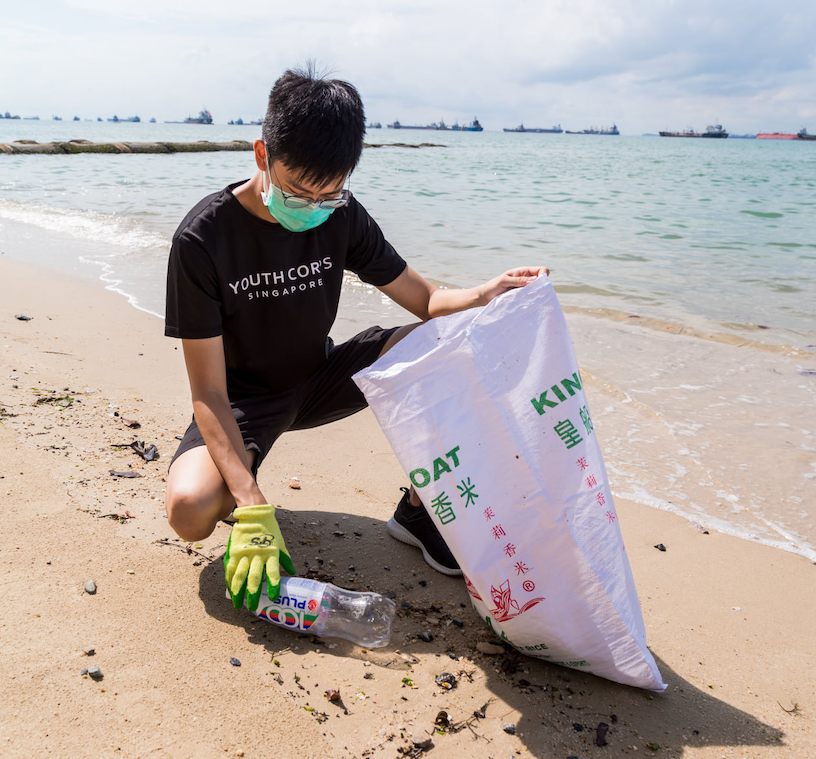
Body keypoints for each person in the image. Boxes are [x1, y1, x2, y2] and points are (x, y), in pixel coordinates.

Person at [164, 66, 547, 611]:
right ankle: (239, 473)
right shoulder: (202, 239)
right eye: (298, 193)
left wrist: (487, 293)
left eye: (330, 194)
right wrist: (252, 505)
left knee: (452, 342)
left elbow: (427, 301)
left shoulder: (341, 215)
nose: (313, 208)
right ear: (261, 155)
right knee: (189, 511)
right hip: (242, 401)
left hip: (321, 375)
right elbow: (208, 394)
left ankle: (418, 510)